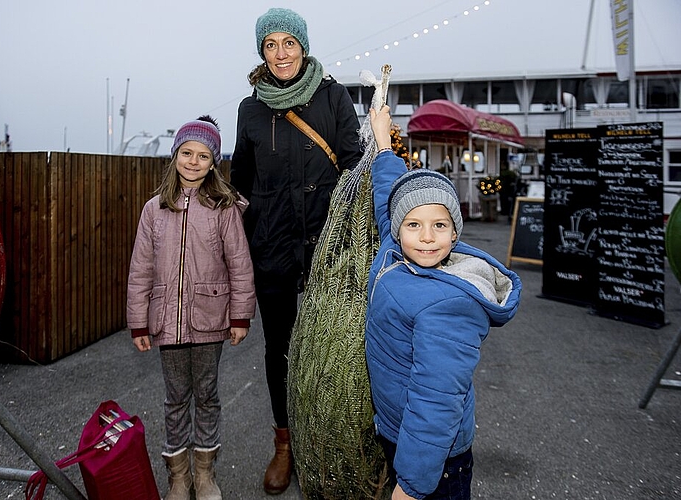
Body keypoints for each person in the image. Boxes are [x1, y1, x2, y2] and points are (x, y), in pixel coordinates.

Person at [229, 7, 362, 495]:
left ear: (303, 46)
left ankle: (331, 439)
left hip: (328, 246)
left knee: (336, 346)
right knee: (279, 348)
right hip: (273, 244)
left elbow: (352, 163)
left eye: (289, 43)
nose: (281, 53)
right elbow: (240, 179)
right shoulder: (249, 109)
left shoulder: (333, 96)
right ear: (261, 52)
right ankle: (284, 444)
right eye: (271, 45)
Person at [364, 105, 522, 500]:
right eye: (413, 225)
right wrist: (384, 142)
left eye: (439, 225)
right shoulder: (394, 252)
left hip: (435, 460)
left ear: (455, 234)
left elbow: (435, 402)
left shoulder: (449, 305)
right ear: (398, 230)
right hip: (401, 432)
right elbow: (389, 195)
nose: (427, 237)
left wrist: (412, 486)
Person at [127, 116, 256, 500]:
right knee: (175, 398)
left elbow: (239, 263)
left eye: (203, 156)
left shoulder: (223, 207)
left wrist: (240, 315)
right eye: (187, 153)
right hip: (168, 322)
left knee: (207, 394)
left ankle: (204, 474)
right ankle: (178, 477)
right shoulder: (154, 209)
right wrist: (138, 323)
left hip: (209, 319)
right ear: (175, 155)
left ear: (214, 162)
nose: (194, 162)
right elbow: (140, 269)